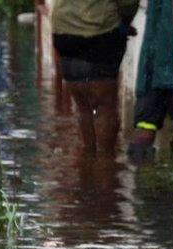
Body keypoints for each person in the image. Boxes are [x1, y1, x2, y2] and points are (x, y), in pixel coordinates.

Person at [48, 0, 138, 156]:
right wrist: (123, 24)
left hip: (62, 30)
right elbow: (128, 2)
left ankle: (88, 161)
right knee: (105, 106)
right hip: (99, 29)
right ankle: (105, 166)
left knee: (83, 108)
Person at [126, 0, 173, 163]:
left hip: (158, 70)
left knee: (149, 127)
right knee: (171, 130)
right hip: (166, 71)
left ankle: (143, 177)